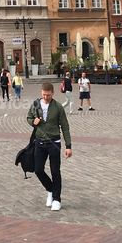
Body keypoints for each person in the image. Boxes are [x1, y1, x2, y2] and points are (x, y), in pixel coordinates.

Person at [26, 83, 73, 211]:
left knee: (55, 171)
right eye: (43, 94)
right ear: (41, 93)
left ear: (53, 93)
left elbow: (65, 127)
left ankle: (57, 199)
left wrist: (68, 146)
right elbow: (28, 117)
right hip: (39, 142)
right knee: (38, 170)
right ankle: (50, 189)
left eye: (48, 95)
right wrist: (32, 122)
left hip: (54, 143)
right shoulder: (36, 104)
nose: (45, 97)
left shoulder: (58, 107)